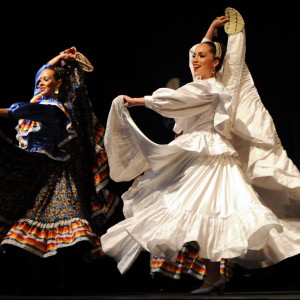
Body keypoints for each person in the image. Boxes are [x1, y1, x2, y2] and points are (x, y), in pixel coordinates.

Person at [100, 8, 300, 296]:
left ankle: (214, 275)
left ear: (216, 62)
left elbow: (175, 100)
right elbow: (193, 63)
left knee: (208, 211)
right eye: (193, 56)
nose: (195, 60)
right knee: (202, 214)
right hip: (199, 156)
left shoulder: (210, 89)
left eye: (202, 56)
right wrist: (209, 31)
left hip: (213, 160)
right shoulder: (200, 84)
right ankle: (214, 276)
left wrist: (137, 101)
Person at [0, 47, 119, 293]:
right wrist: (60, 57)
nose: (41, 82)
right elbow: (38, 76)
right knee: (28, 228)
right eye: (40, 80)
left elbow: (16, 112)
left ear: (59, 83)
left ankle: (64, 280)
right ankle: (37, 281)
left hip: (54, 174)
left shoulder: (54, 108)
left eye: (47, 79)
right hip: (34, 171)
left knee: (59, 226)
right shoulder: (40, 98)